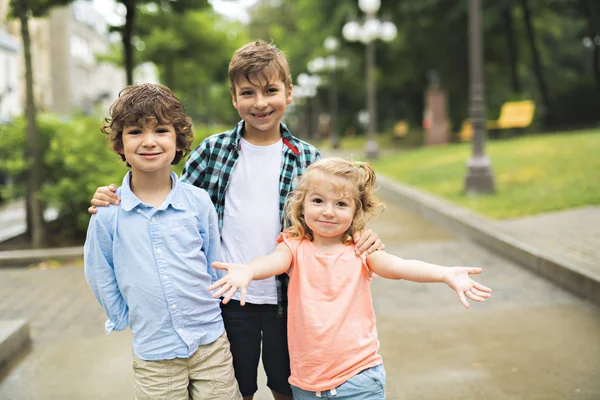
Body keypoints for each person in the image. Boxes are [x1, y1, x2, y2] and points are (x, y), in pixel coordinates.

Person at [88, 40, 383, 400]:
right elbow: (166, 197)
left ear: (288, 93)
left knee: (287, 383)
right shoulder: (213, 151)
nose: (260, 103)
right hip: (229, 299)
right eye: (248, 92)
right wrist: (114, 195)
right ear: (234, 98)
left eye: (270, 91)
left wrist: (363, 237)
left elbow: (338, 209)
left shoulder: (307, 156)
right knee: (234, 387)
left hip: (289, 297)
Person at [208, 158, 493, 400]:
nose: (329, 211)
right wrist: (247, 271)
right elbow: (271, 262)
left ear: (356, 211)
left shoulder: (362, 251)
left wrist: (444, 274)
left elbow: (399, 267)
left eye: (341, 204)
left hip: (359, 378)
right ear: (302, 207)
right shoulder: (294, 246)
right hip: (306, 383)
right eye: (318, 201)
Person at [84, 83, 242, 400]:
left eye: (161, 130)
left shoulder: (198, 203)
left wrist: (213, 304)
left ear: (178, 139)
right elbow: (100, 271)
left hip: (209, 341)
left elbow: (214, 260)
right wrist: (122, 316)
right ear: (119, 143)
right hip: (154, 351)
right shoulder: (108, 213)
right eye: (135, 132)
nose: (149, 141)